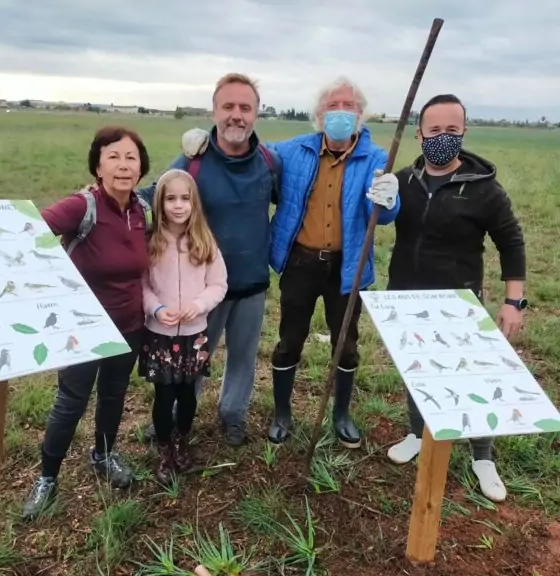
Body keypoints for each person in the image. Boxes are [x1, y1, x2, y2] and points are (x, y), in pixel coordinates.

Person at [179, 76, 401, 449]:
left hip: (348, 267)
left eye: (349, 107)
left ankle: (342, 415)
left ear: (361, 115)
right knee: (289, 341)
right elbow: (245, 150)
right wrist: (206, 142)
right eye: (333, 106)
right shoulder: (292, 151)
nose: (341, 114)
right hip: (300, 262)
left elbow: (382, 215)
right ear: (319, 115)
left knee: (346, 344)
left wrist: (391, 200)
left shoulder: (377, 159)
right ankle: (282, 413)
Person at [0, 126, 152, 520]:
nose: (123, 165)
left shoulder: (142, 211)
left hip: (130, 325)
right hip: (83, 327)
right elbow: (26, 227)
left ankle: (104, 455)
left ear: (141, 167)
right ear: (98, 166)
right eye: (113, 156)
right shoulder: (83, 207)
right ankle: (47, 477)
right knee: (71, 402)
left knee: (114, 396)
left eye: (131, 157)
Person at [385, 94, 527, 502]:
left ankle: (482, 455)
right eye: (434, 131)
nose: (442, 137)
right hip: (406, 298)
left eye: (451, 130)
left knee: (469, 377)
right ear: (419, 134)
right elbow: (378, 216)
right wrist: (375, 201)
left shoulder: (484, 189)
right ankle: (416, 432)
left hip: (458, 303)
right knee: (416, 371)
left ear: (463, 132)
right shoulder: (403, 182)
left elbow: (511, 241)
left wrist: (513, 301)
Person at [138, 73, 281, 447]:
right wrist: (105, 199)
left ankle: (233, 416)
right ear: (214, 111)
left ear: (256, 114)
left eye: (245, 108)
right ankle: (172, 419)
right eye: (228, 106)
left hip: (251, 282)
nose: (237, 115)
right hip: (200, 286)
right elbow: (156, 193)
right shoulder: (194, 160)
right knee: (191, 358)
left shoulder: (270, 161)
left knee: (243, 360)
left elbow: (295, 199)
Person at [139, 168, 227, 483]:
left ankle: (181, 440)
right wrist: (156, 308)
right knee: (164, 396)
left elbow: (218, 284)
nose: (178, 205)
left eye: (185, 198)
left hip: (193, 336)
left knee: (187, 394)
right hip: (160, 335)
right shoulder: (150, 242)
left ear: (194, 203)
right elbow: (143, 286)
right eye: (170, 199)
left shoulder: (205, 241)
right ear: (159, 204)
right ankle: (164, 448)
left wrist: (198, 305)